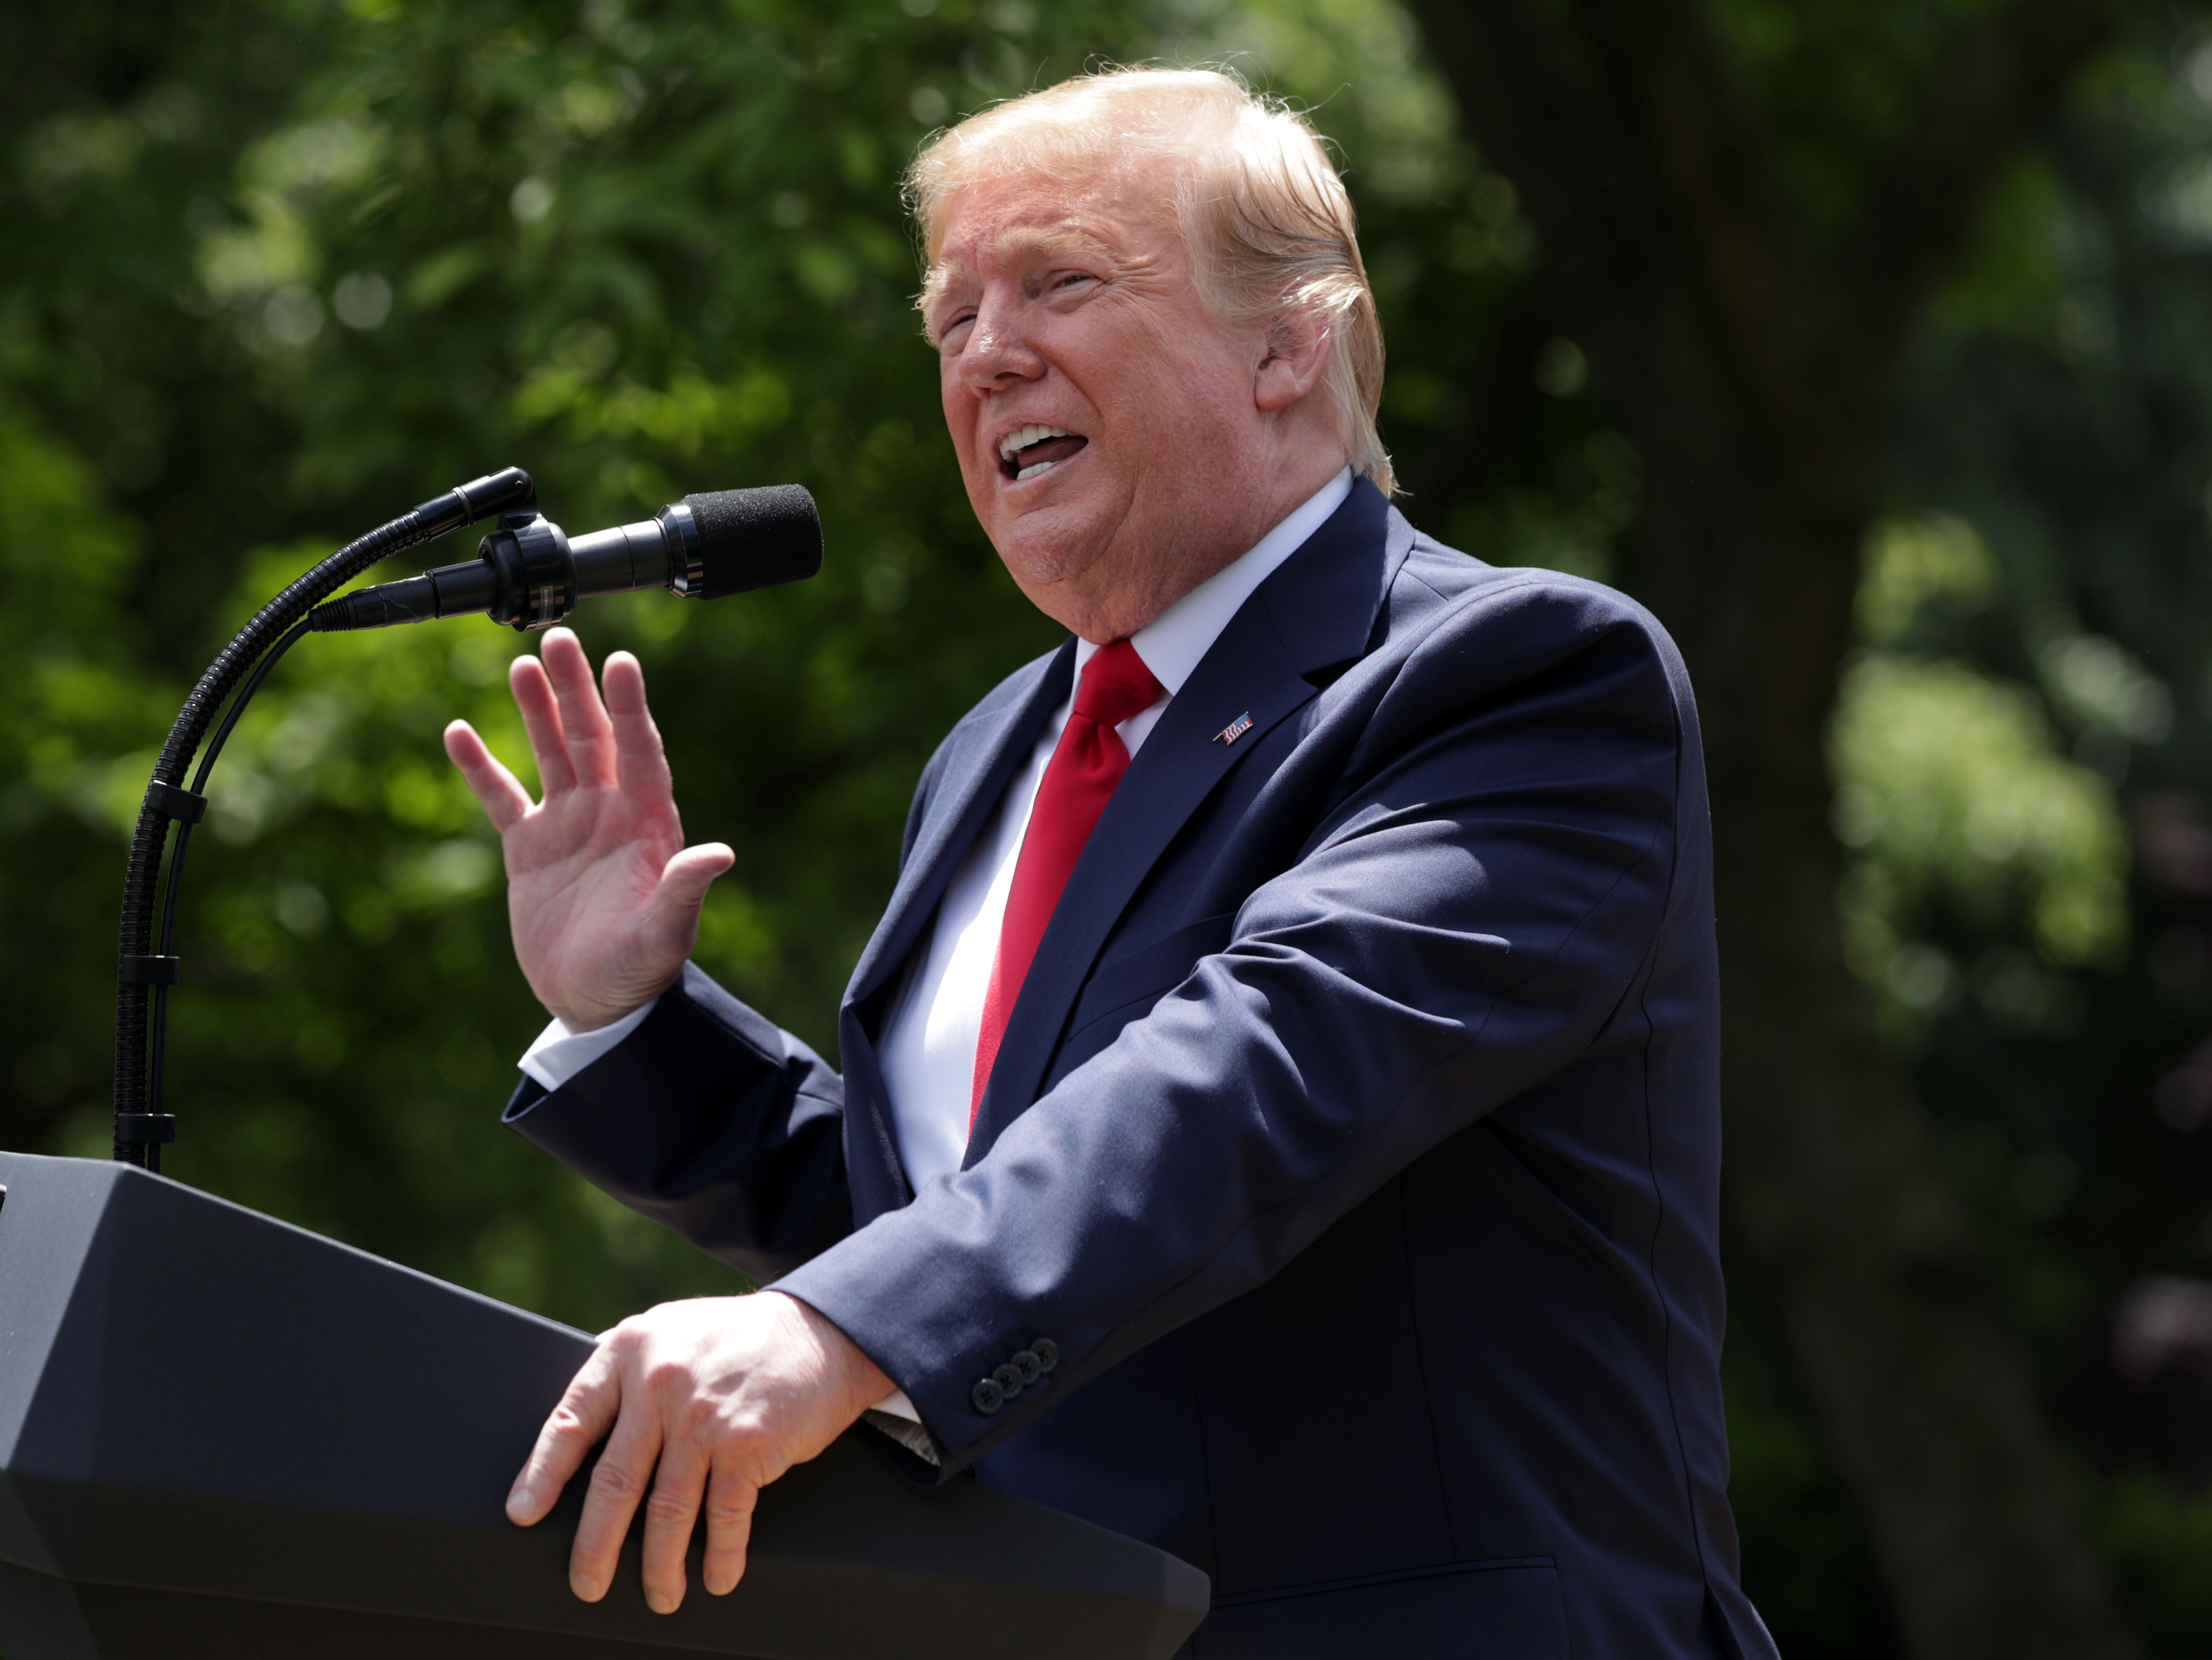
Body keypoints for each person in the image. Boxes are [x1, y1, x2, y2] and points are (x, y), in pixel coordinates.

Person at [443, 67, 1776, 1660]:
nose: (986, 354)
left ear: (1288, 342)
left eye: (1060, 282)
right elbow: (942, 1214)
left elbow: (1254, 1081)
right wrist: (635, 1023)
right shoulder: (994, 755)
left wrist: (837, 1331)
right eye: (949, 322)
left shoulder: (1517, 677)